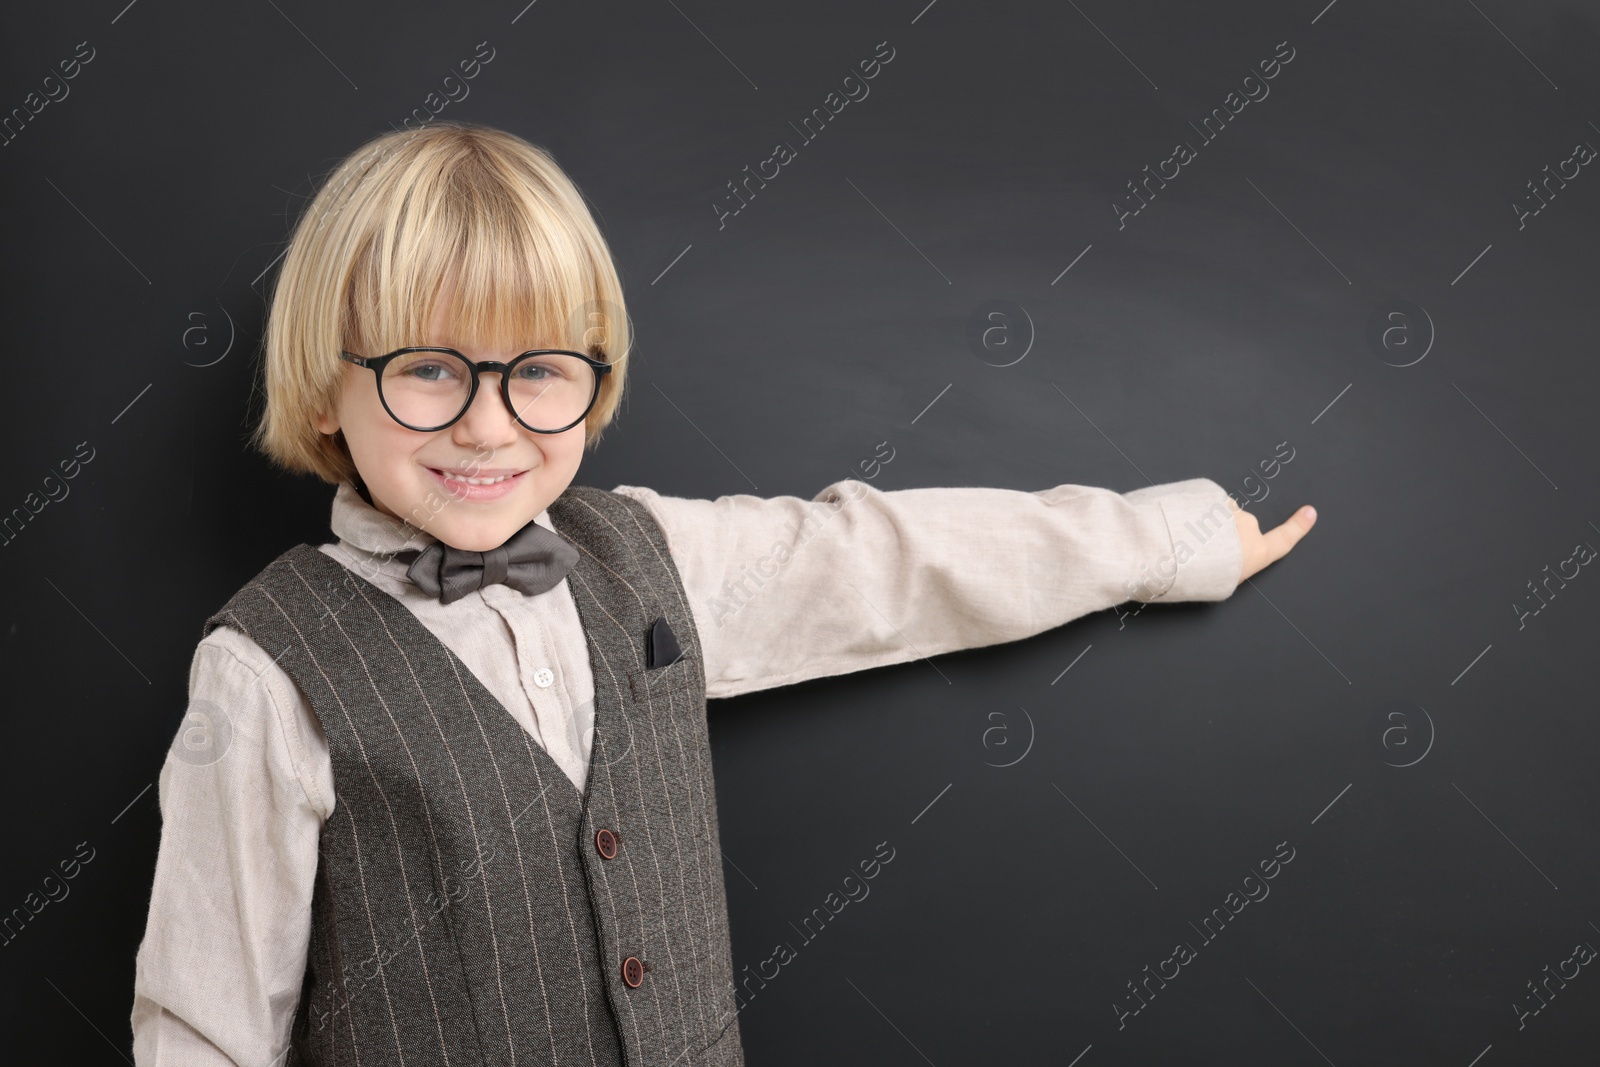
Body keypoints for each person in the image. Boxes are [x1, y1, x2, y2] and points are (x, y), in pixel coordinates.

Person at [129, 121, 1315, 1067]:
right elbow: (203, 1028)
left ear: (591, 384)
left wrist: (1169, 540)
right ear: (326, 389)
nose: (487, 424)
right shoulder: (263, 667)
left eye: (537, 370)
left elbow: (892, 558)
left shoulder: (648, 552)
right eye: (428, 368)